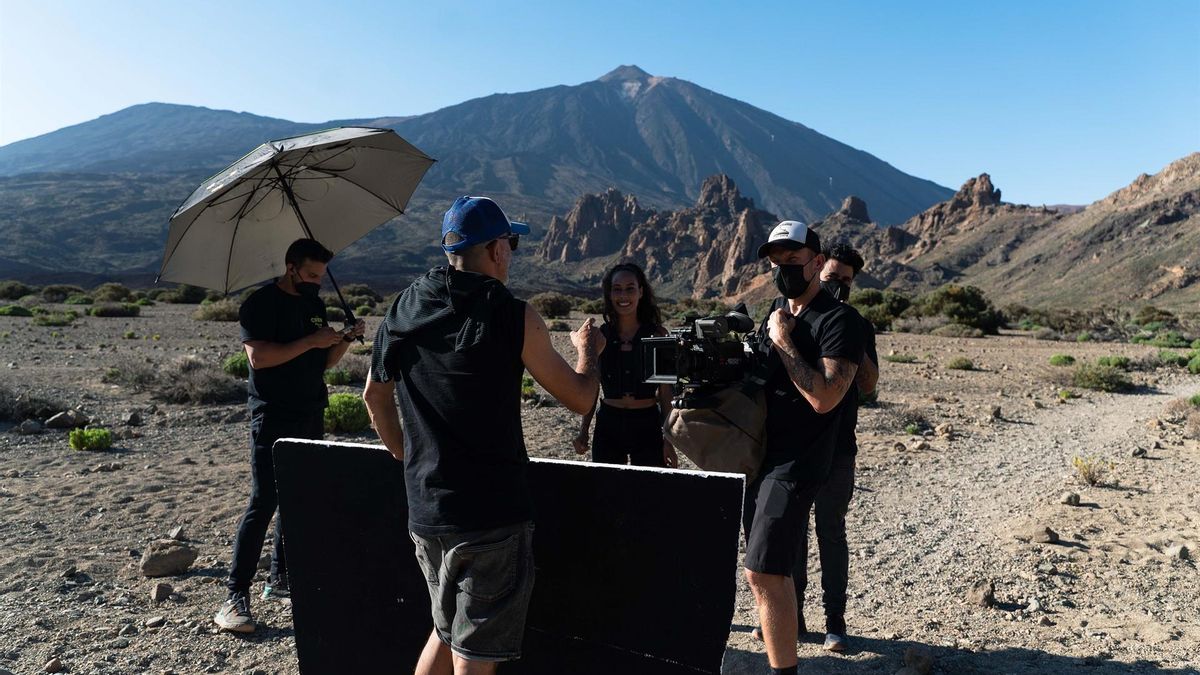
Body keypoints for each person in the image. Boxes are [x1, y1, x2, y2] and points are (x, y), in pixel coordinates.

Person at [362, 196, 604, 675]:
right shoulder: (514, 315)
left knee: (444, 628)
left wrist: (407, 456)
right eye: (510, 243)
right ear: (496, 250)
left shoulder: (404, 308)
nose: (511, 253)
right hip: (491, 513)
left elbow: (373, 395)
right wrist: (588, 351)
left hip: (426, 509)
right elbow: (579, 398)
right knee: (475, 653)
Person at [213, 238, 366, 633]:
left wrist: (344, 340)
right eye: (311, 274)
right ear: (291, 267)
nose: (317, 282)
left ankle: (280, 579)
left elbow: (322, 361)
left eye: (321, 275)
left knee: (299, 498)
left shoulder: (314, 304)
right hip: (272, 415)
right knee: (264, 501)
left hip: (311, 410)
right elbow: (258, 358)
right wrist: (309, 342)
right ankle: (235, 596)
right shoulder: (259, 304)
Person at [742, 220, 864, 675]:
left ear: (817, 262)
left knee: (764, 571)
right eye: (776, 263)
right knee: (771, 568)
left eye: (792, 262)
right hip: (760, 457)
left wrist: (782, 341)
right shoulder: (776, 309)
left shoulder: (840, 321)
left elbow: (826, 396)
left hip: (801, 460)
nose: (783, 271)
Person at [572, 263, 678, 468]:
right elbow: (592, 388)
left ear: (640, 292)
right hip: (608, 425)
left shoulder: (658, 335)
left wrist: (669, 441)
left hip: (647, 424)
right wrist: (584, 430)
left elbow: (666, 393)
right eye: (617, 289)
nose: (623, 296)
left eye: (630, 288)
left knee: (648, 491)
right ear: (610, 294)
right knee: (606, 492)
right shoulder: (600, 335)